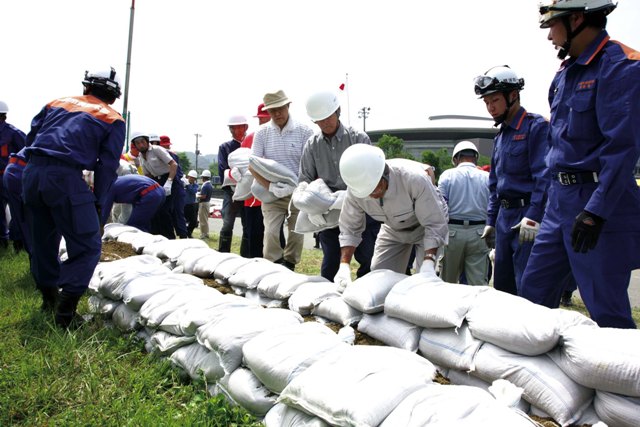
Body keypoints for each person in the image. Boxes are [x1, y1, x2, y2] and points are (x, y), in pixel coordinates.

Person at [521, 0, 640, 329]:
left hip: (595, 203)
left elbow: (622, 148)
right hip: (557, 204)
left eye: (552, 26)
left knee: (606, 308)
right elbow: (557, 146)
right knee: (532, 295)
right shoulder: (566, 72)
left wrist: (596, 212)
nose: (550, 38)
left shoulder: (621, 66)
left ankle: (615, 381)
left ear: (576, 19)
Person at [22, 67, 125, 328]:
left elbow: (31, 138)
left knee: (43, 240)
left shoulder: (56, 103)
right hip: (65, 177)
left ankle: (48, 300)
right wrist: (99, 200)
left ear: (86, 87)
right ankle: (65, 313)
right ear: (113, 97)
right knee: (88, 245)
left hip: (32, 174)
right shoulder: (112, 117)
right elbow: (107, 165)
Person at [473, 65, 549, 296]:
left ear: (513, 95)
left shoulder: (536, 128)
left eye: (494, 100)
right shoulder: (501, 137)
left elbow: (544, 178)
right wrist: (491, 221)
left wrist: (534, 217)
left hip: (527, 217)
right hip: (505, 220)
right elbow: (495, 184)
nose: (490, 107)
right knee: (502, 287)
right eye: (486, 102)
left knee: (527, 287)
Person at [335, 144, 449, 291]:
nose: (372, 195)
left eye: (375, 188)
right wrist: (344, 265)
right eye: (367, 192)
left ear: (384, 173)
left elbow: (434, 224)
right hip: (392, 228)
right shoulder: (356, 190)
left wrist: (429, 261)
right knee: (379, 275)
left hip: (424, 228)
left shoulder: (414, 179)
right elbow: (349, 228)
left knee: (424, 282)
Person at [299, 90, 380, 281]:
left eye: (329, 116)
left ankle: (366, 295)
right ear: (314, 122)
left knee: (369, 259)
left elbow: (373, 174)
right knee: (331, 263)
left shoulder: (358, 138)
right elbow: (305, 179)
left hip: (362, 206)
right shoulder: (312, 145)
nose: (325, 122)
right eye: (320, 120)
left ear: (338, 112)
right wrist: (312, 207)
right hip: (331, 211)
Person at [250, 90, 314, 270]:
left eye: (280, 108)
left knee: (296, 232)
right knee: (270, 232)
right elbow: (252, 165)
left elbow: (309, 165)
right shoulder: (262, 133)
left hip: (297, 191)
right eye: (272, 110)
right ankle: (274, 267)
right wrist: (270, 186)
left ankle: (290, 264)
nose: (277, 114)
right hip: (271, 192)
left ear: (288, 106)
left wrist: (300, 188)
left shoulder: (304, 131)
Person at [438, 141, 490, 285]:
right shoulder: (486, 177)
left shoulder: (447, 175)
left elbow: (441, 206)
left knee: (448, 282)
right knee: (478, 283)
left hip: (453, 231)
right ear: (475, 158)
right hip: (480, 232)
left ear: (456, 158)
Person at [236, 103, 270, 258]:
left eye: (266, 118)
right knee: (253, 234)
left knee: (272, 235)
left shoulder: (279, 139)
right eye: (261, 119)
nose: (263, 122)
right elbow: (240, 164)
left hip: (271, 196)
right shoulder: (250, 138)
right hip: (252, 197)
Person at [132, 132, 179, 240]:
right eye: (138, 143)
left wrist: (169, 182)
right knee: (154, 209)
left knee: (164, 210)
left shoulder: (156, 150)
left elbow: (173, 164)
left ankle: (170, 238)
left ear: (147, 141)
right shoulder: (140, 156)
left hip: (169, 179)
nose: (141, 145)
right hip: (155, 181)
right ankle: (156, 236)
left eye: (142, 142)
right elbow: (147, 174)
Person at [217, 115, 248, 252]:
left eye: (239, 127)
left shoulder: (252, 143)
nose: (236, 130)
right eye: (233, 128)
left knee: (248, 224)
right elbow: (223, 169)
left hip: (249, 191)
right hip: (231, 191)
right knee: (228, 223)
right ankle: (223, 253)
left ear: (245, 127)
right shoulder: (225, 147)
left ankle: (246, 254)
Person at [0, 100, 26, 250]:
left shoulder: (13, 133)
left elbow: (27, 152)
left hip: (11, 178)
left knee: (18, 210)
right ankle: (2, 241)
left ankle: (18, 240)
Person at [101, 174, 165, 232]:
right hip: (159, 191)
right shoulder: (116, 180)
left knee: (133, 226)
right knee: (147, 223)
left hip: (150, 195)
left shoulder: (108, 188)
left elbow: (105, 211)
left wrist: (99, 227)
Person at [158, 135, 188, 239]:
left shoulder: (166, 155)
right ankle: (182, 236)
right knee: (177, 213)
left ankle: (172, 236)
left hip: (173, 186)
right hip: (177, 187)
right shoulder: (174, 155)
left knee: (169, 212)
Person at [2, 147, 30, 254]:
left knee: (19, 214)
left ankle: (20, 245)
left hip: (13, 170)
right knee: (28, 216)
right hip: (20, 171)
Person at [198, 169, 213, 240]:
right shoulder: (209, 185)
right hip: (207, 203)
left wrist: (197, 195)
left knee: (202, 219)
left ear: (204, 177)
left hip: (203, 203)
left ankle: (204, 234)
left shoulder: (205, 186)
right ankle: (206, 233)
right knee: (205, 219)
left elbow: (203, 196)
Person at [183, 169, 199, 238]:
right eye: (191, 177)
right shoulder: (183, 183)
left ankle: (189, 232)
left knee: (194, 221)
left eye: (194, 178)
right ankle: (183, 233)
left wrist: (188, 185)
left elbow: (193, 191)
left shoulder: (195, 185)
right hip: (183, 205)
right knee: (183, 220)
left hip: (192, 205)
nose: (192, 179)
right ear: (188, 177)